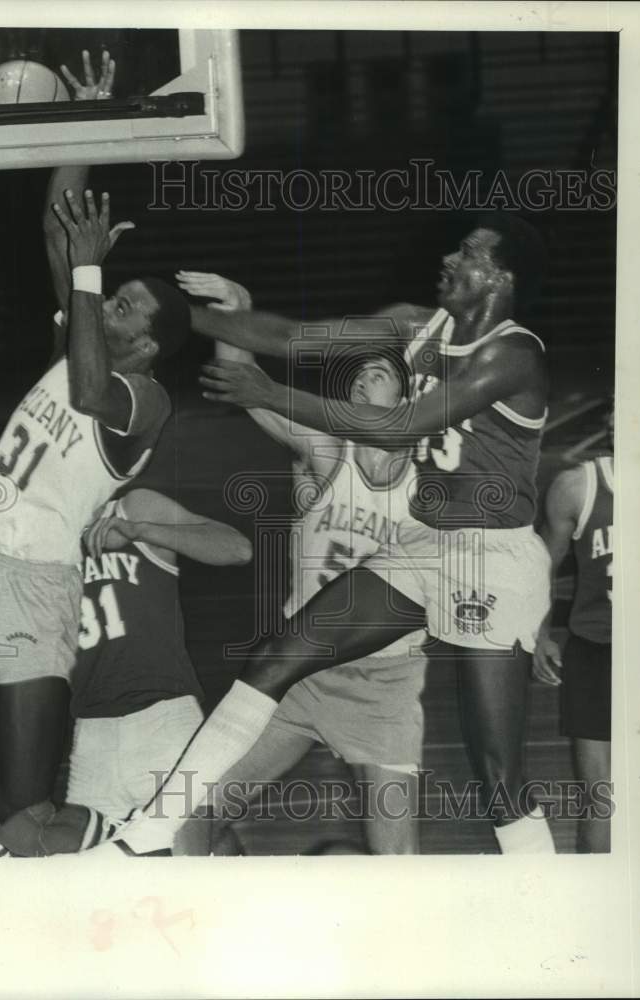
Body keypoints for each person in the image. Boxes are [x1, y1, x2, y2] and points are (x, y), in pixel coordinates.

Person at [1, 212, 557, 858]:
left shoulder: (512, 354)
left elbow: (401, 426)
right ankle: (150, 834)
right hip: (425, 548)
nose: (450, 258)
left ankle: (541, 888)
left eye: (467, 252)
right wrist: (171, 311)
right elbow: (291, 337)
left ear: (500, 277)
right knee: (276, 658)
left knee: (498, 776)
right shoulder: (415, 324)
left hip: (492, 561)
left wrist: (270, 393)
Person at [0, 51, 190, 852]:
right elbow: (58, 224)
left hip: (35, 584)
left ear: (150, 343)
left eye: (126, 306)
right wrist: (85, 121)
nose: (111, 304)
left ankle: (132, 843)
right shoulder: (82, 337)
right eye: (114, 297)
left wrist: (92, 273)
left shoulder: (145, 398)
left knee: (25, 817)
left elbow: (93, 392)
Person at [177, 272, 429, 855]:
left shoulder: (429, 479)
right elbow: (247, 384)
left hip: (383, 684)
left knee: (398, 862)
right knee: (190, 815)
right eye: (359, 371)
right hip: (300, 672)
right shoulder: (327, 450)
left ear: (407, 400)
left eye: (381, 373)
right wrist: (237, 308)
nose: (364, 376)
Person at [0, 487, 252, 856]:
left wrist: (141, 532)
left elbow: (238, 549)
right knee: (71, 867)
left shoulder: (133, 508)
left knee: (198, 860)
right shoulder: (40, 545)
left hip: (163, 722)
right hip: (92, 739)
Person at [532, 413, 614, 852]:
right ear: (613, 421)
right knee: (600, 798)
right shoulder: (578, 488)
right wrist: (540, 633)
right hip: (598, 649)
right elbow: (542, 564)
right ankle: (595, 889)